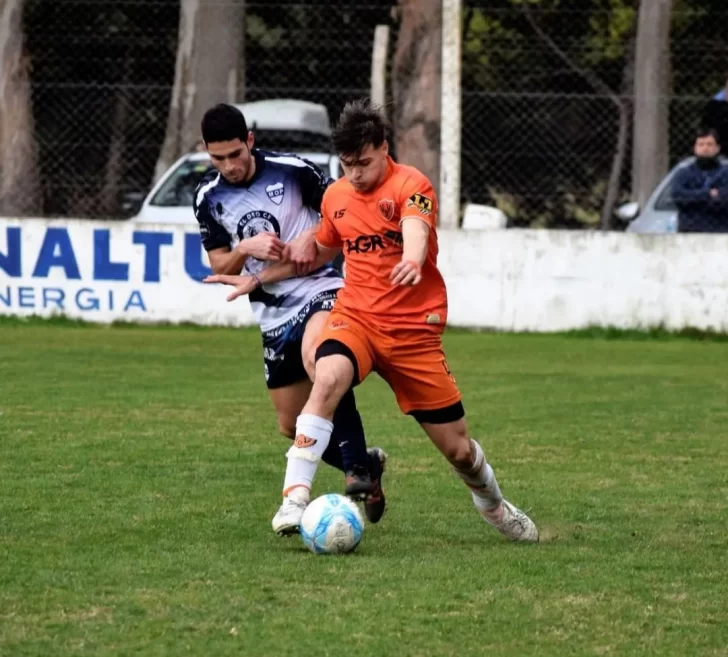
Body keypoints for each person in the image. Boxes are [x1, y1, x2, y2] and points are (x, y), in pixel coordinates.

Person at [212, 100, 539, 542]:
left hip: (412, 336)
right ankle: (294, 498)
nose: (355, 175)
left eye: (364, 163)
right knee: (326, 377)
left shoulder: (412, 185)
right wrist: (260, 278)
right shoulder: (336, 197)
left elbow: (416, 227)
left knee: (459, 450)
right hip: (356, 319)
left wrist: (411, 258)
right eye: (347, 165)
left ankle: (495, 507)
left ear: (385, 148)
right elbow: (320, 253)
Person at [194, 103, 387, 531]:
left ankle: (353, 469)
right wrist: (246, 249)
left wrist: (308, 236)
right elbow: (220, 268)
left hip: (322, 287)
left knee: (322, 361)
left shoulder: (293, 170)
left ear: (250, 141)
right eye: (217, 158)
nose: (229, 166)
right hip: (271, 313)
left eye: (235, 155)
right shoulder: (208, 198)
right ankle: (367, 465)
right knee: (289, 424)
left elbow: (343, 218)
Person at [673, 128, 728, 233]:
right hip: (689, 234)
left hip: (720, 234)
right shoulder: (684, 173)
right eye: (701, 144)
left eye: (709, 144)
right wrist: (708, 194)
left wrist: (694, 199)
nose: (705, 148)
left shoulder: (725, 173)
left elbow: (724, 199)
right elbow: (679, 196)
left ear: (717, 148)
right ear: (695, 148)